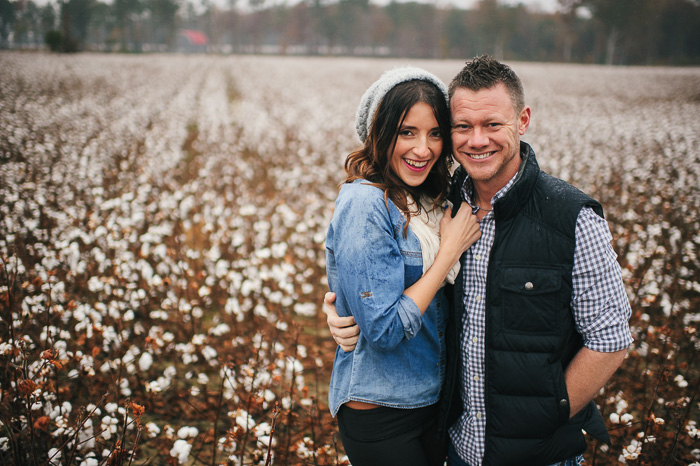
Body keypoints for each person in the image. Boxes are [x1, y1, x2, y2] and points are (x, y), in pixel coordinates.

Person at [325, 55, 633, 466]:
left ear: (522, 120)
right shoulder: (442, 204)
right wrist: (342, 309)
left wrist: (546, 417)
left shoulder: (570, 218)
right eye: (462, 127)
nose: (477, 140)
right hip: (453, 441)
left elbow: (610, 341)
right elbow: (377, 274)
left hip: (537, 454)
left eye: (492, 125)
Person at [325, 66, 481, 466]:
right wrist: (448, 253)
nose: (422, 149)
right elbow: (384, 328)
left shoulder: (432, 201)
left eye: (434, 133)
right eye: (406, 132)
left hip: (429, 398)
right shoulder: (366, 204)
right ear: (380, 133)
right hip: (381, 409)